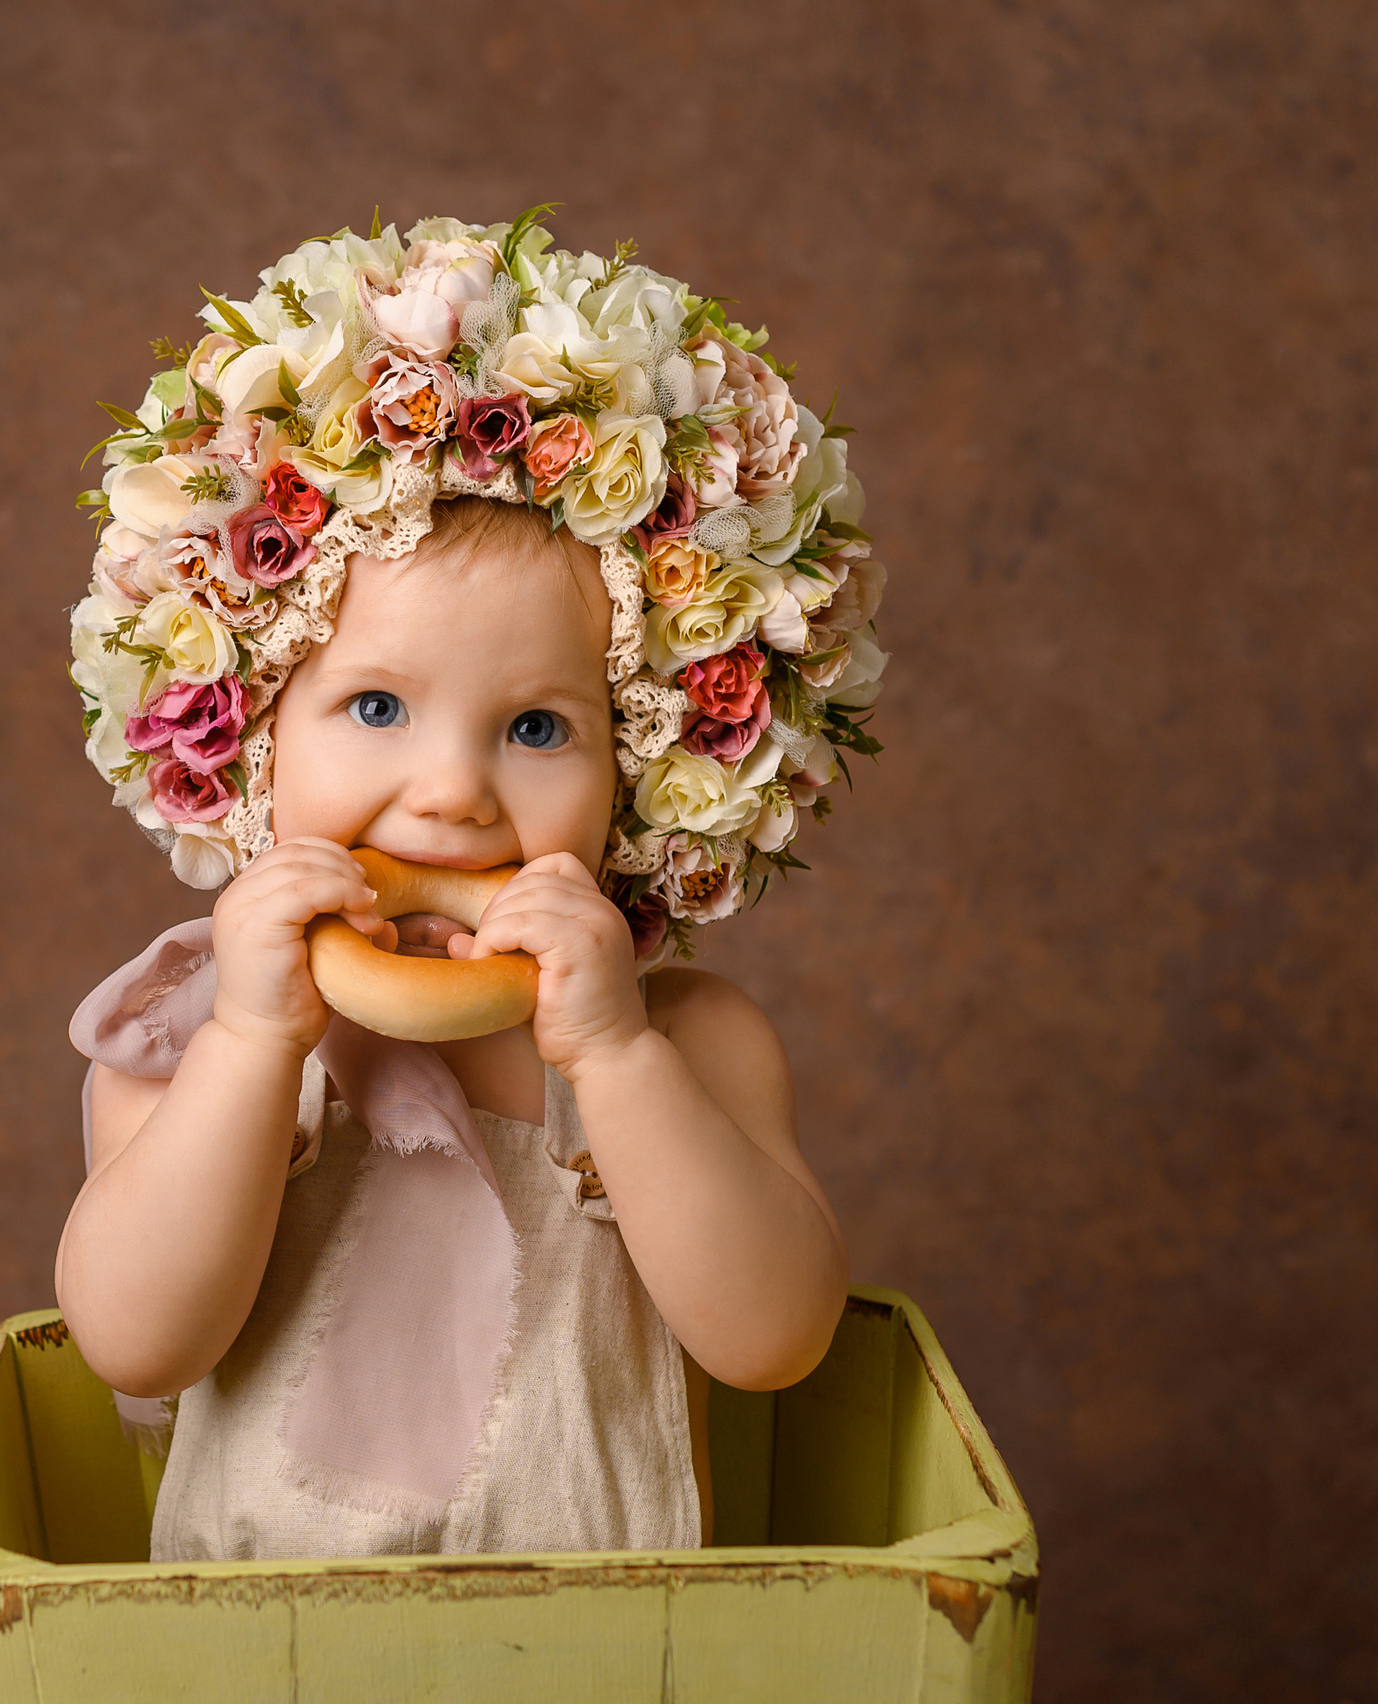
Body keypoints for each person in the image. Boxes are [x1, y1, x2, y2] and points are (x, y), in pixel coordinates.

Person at [54, 212, 889, 1559]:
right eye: (375, 705)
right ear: (253, 729)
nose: (451, 791)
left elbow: (777, 1342)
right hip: (255, 1670)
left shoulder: (685, 1044)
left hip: (616, 1662)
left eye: (540, 729)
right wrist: (259, 1042)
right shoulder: (184, 1047)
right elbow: (138, 1340)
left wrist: (612, 1051)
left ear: (649, 765)